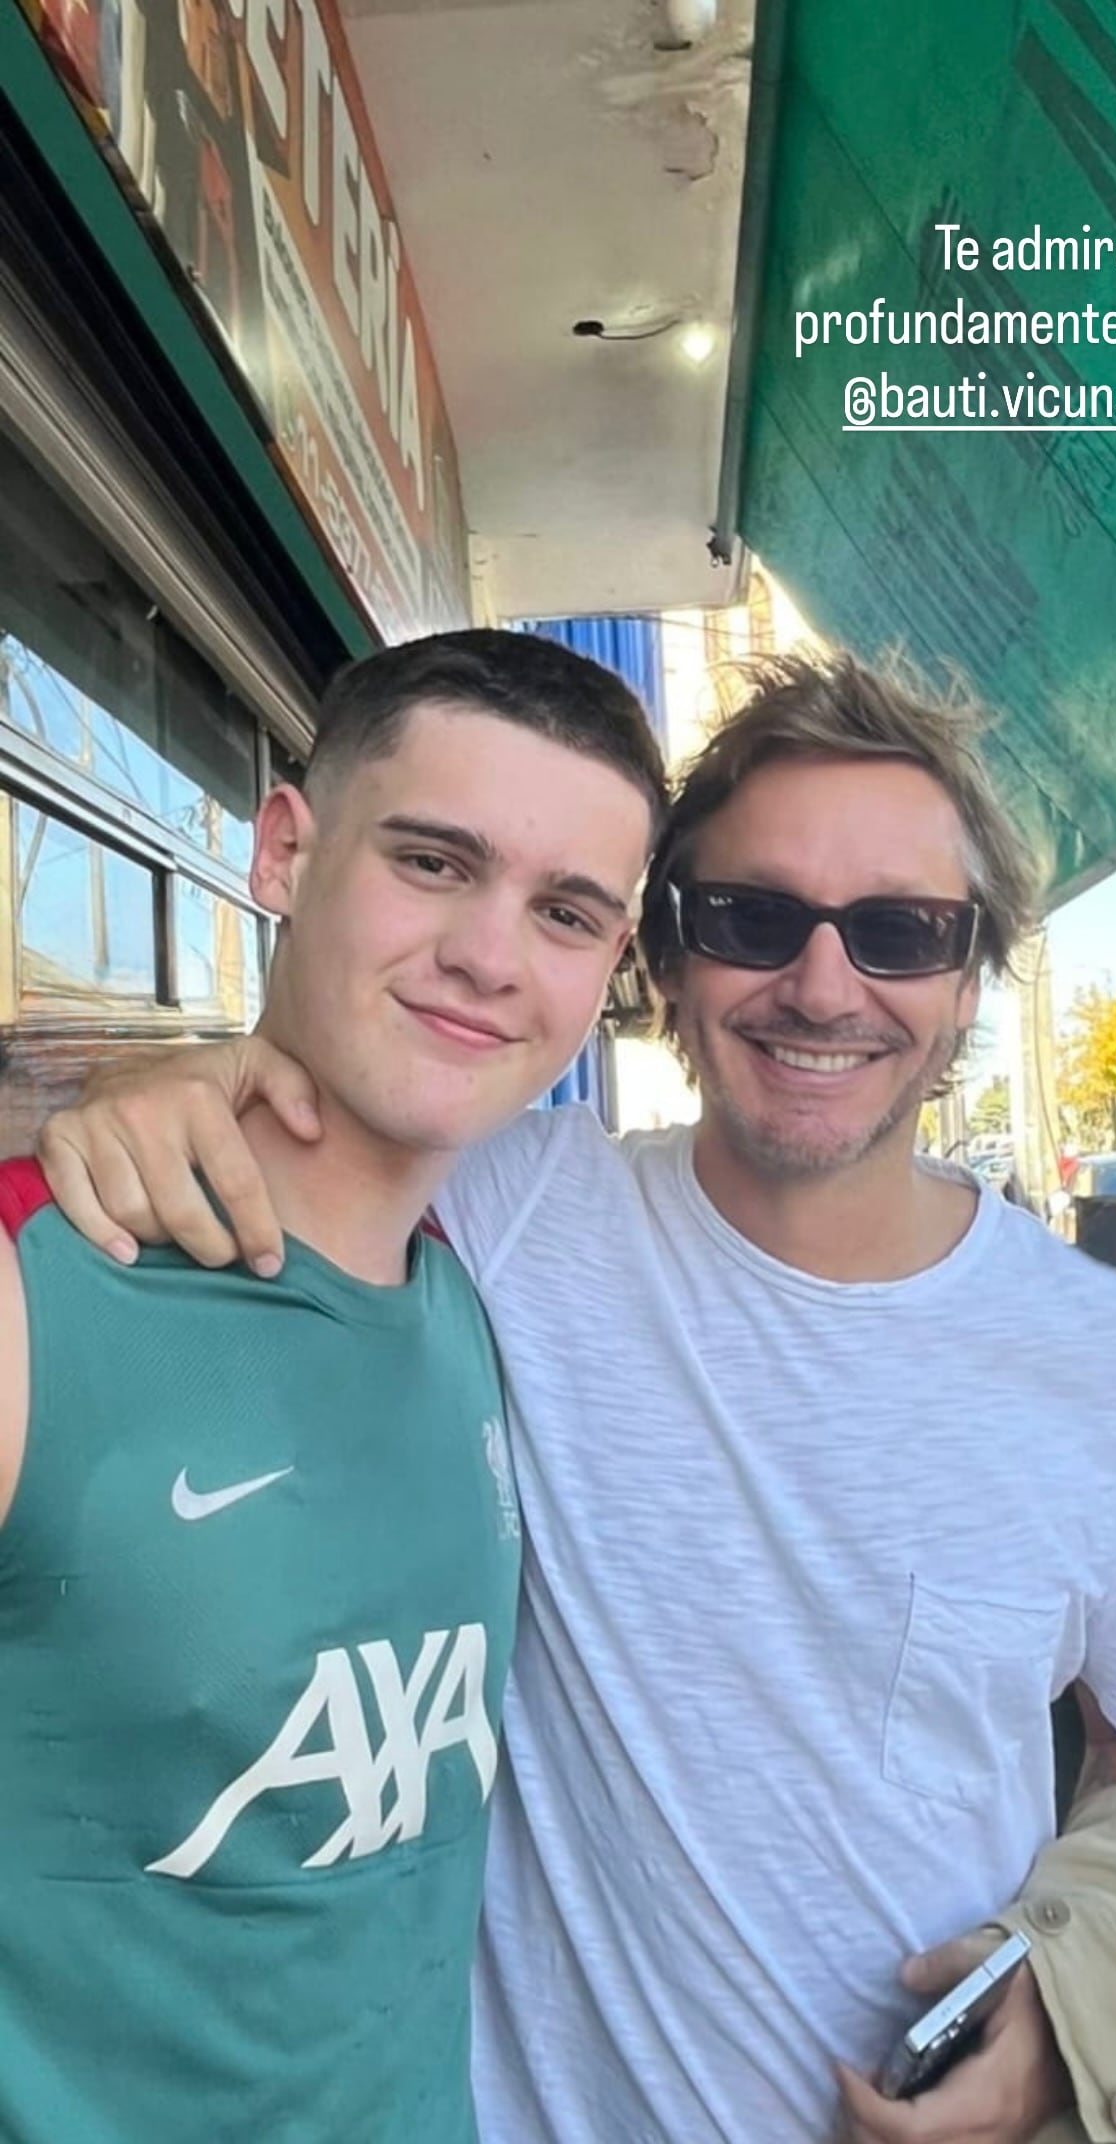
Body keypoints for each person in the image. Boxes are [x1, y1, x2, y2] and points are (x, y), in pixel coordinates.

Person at [40, 651, 1116, 2144]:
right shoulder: (515, 1213)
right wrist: (142, 1084)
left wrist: (1063, 2006)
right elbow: (329, 1102)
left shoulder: (1102, 1363)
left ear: (969, 977)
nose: (824, 986)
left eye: (900, 932)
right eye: (752, 918)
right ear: (663, 960)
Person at [0, 628, 660, 2143]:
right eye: (432, 862)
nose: (491, 955)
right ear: (285, 852)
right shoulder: (38, 1296)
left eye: (565, 912)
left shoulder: (483, 1303)